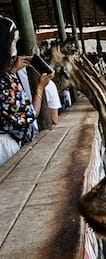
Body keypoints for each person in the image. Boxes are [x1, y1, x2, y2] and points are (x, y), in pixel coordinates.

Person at [0, 16, 53, 165]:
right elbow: (30, 115)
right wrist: (40, 88)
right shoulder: (5, 83)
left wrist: (11, 71)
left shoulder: (5, 78)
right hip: (5, 149)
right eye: (13, 41)